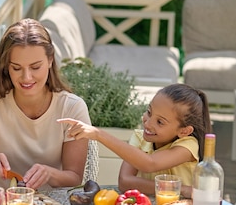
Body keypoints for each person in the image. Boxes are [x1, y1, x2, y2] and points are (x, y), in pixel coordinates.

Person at [0, 18, 91, 191]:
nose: (26, 77)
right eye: (17, 68)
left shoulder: (72, 107)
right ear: (6, 67)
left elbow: (74, 178)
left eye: (35, 67)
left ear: (50, 60)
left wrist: (49, 173)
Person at [58, 83, 212, 198]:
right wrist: (181, 189)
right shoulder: (140, 138)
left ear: (184, 131)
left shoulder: (188, 146)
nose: (148, 122)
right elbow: (125, 182)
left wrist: (98, 134)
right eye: (149, 112)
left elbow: (149, 163)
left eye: (160, 122)